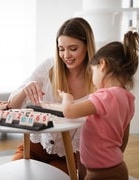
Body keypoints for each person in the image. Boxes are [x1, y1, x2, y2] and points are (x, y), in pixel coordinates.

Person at [8, 17, 96, 178]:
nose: (66, 55)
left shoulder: (98, 79)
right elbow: (11, 106)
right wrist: (24, 90)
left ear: (87, 46)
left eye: (73, 48)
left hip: (70, 155)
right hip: (34, 148)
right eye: (61, 49)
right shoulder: (49, 66)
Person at [59, 31, 139, 179]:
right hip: (117, 166)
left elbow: (69, 111)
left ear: (102, 65)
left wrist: (67, 97)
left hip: (101, 172)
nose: (93, 79)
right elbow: (124, 138)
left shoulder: (105, 96)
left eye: (93, 71)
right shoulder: (128, 99)